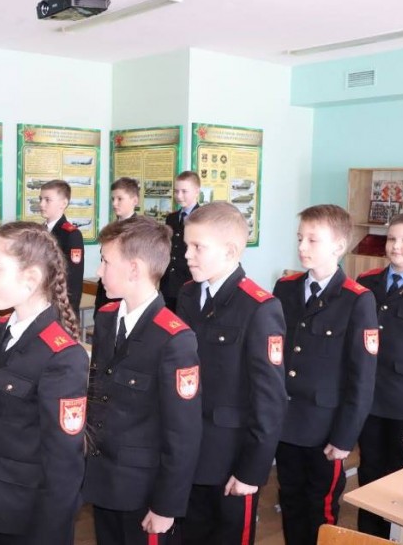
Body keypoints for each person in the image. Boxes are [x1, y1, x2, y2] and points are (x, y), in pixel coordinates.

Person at [0, 221, 89, 545]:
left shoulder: (62, 356)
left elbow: (64, 462)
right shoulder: (6, 328)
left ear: (31, 279)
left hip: (24, 516)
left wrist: (50, 533)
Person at [83, 215, 203, 545]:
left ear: (134, 269)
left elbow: (183, 434)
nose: (99, 271)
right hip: (104, 478)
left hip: (144, 491)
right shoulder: (107, 319)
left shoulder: (174, 339)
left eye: (106, 262)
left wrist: (166, 506)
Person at [175, 202, 287, 545]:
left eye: (198, 247)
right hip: (188, 449)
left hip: (230, 457)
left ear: (230, 251)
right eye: (186, 245)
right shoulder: (188, 294)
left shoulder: (259, 307)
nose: (187, 255)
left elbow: (270, 400)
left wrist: (252, 470)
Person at [272, 204, 378, 545]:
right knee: (289, 499)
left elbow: (361, 378)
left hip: (325, 428)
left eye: (313, 240)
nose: (302, 246)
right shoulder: (285, 288)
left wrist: (344, 437)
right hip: (285, 420)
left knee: (321, 508)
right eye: (300, 238)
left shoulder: (357, 299)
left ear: (338, 246)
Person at [356, 211, 403, 537]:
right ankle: (368, 537)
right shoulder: (366, 282)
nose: (396, 246)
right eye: (391, 238)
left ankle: (397, 538)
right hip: (368, 398)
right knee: (369, 471)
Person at [94, 177, 139, 315]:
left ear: (134, 200)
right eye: (113, 199)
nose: (114, 203)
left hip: (125, 294)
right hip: (105, 292)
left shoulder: (140, 230)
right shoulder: (111, 228)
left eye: (120, 199)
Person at [40, 179, 84, 316]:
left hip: (60, 305)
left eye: (47, 200)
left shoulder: (71, 234)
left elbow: (73, 279)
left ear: (63, 203)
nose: (41, 204)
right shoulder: (40, 231)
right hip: (41, 300)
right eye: (40, 199)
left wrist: (69, 311)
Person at [160, 171, 201, 312]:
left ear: (196, 191)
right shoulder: (171, 218)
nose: (179, 196)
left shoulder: (203, 218)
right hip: (168, 285)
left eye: (184, 191)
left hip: (189, 283)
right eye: (176, 191)